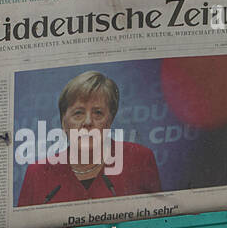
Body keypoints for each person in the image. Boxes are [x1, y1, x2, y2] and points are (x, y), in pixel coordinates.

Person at [17, 70, 161, 206]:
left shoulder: (139, 159)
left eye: (98, 113)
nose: (87, 122)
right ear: (63, 123)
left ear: (110, 120)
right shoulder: (37, 173)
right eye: (78, 113)